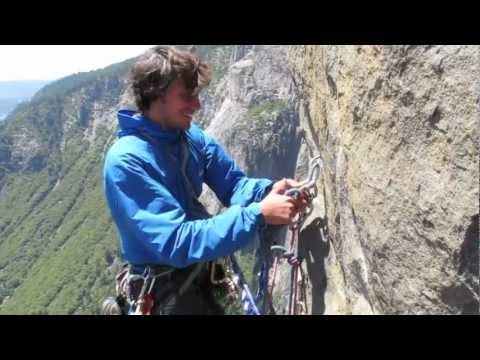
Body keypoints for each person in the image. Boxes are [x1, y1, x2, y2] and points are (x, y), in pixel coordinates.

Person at [103, 46, 307, 315]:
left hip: (209, 271)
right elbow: (177, 242)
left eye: (196, 95)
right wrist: (258, 214)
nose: (197, 105)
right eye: (186, 96)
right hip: (167, 292)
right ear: (155, 94)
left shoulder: (190, 138)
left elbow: (234, 185)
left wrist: (268, 190)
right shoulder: (126, 161)